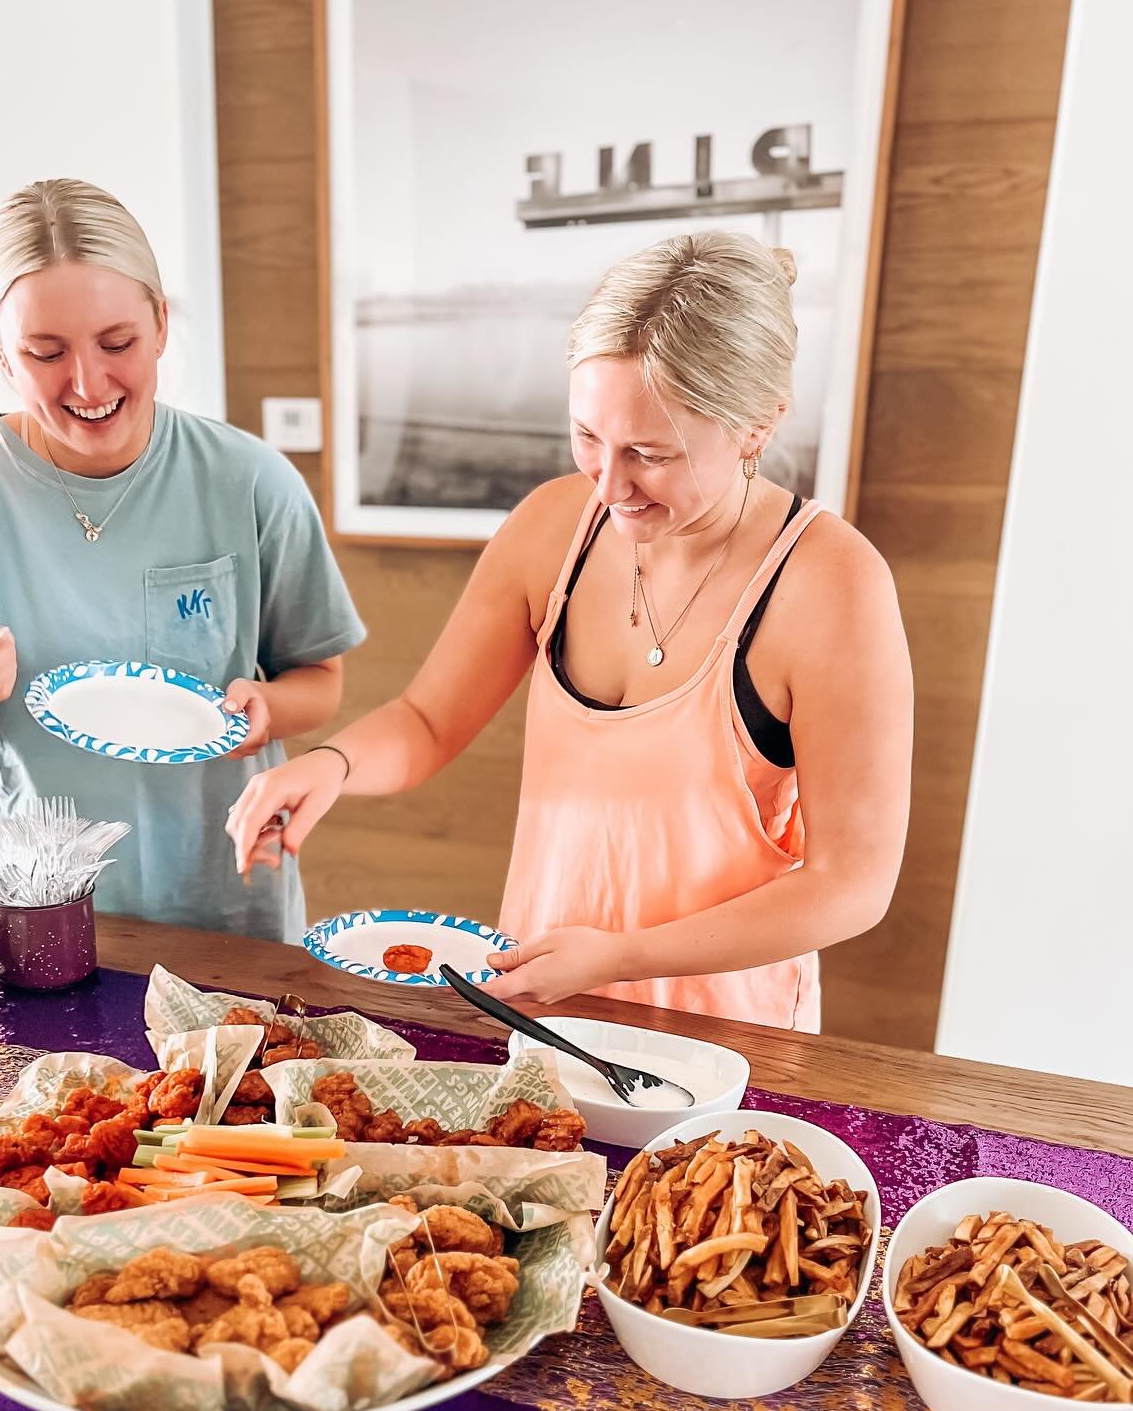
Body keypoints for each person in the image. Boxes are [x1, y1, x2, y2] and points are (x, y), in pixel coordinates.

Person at [228, 232, 912, 1028]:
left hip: (728, 1041)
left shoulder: (832, 583)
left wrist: (623, 956)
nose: (611, 485)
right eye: (589, 437)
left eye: (651, 454)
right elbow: (428, 721)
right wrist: (334, 766)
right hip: (540, 1006)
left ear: (758, 424)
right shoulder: (554, 525)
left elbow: (851, 883)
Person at [0, 178, 364, 938]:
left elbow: (319, 682)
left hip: (227, 907)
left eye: (116, 343)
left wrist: (267, 708)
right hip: (48, 914)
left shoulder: (247, 479)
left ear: (159, 324)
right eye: (44, 351)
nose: (88, 384)